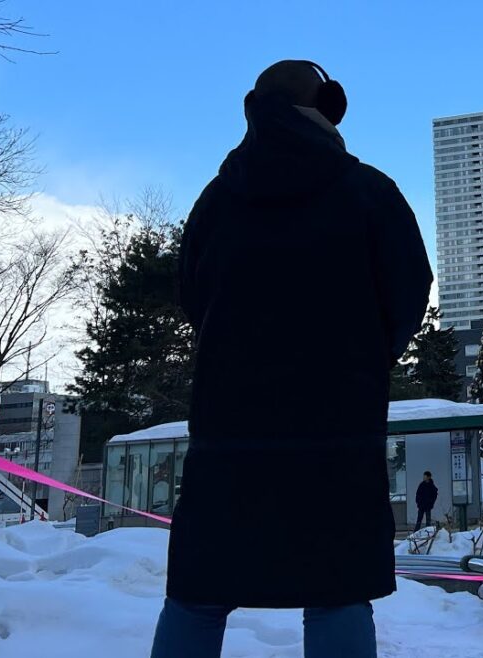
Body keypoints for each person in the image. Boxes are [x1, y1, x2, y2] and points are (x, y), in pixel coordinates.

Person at [151, 59, 433, 658]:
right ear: (329, 108)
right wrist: (364, 359)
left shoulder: (216, 201)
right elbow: (410, 292)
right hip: (337, 434)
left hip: (227, 434)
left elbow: (190, 297)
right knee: (338, 592)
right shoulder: (369, 193)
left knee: (199, 595)